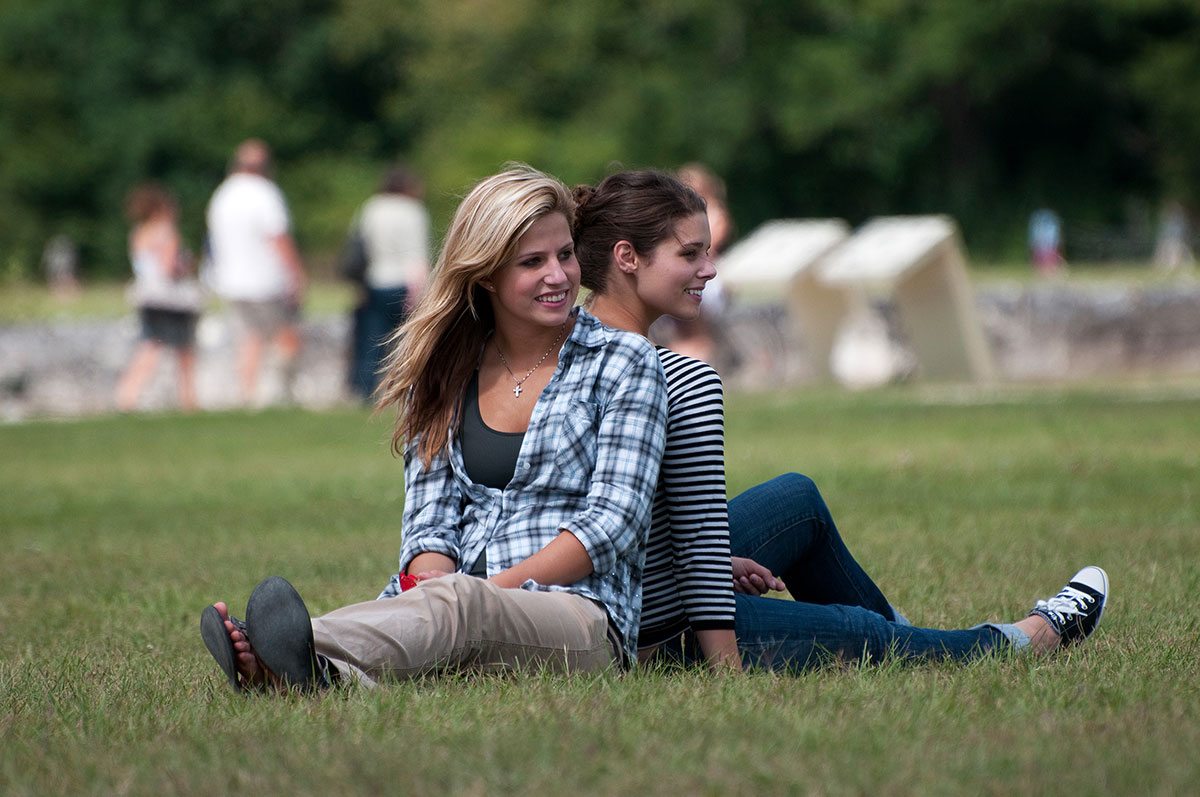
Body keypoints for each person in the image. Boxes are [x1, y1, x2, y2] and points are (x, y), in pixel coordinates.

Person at [573, 170, 1110, 673]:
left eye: (708, 252)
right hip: (654, 626)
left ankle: (906, 633)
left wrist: (711, 561)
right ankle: (1020, 638)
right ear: (627, 257)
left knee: (795, 500)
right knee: (858, 632)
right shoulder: (678, 376)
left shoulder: (568, 347)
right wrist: (721, 658)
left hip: (631, 583)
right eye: (690, 254)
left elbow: (608, 508)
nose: (710, 270)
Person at [200, 165, 669, 692]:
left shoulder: (624, 361)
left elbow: (611, 525)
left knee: (464, 605)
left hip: (581, 615)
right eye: (532, 262)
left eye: (565, 254)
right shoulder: (446, 369)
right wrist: (429, 581)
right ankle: (319, 675)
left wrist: (478, 589)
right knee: (451, 608)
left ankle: (293, 648)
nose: (558, 276)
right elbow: (430, 522)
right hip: (448, 607)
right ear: (487, 273)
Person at [205, 139, 307, 406]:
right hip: (264, 280)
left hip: (231, 281)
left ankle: (248, 395)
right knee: (287, 335)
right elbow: (278, 237)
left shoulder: (222, 195)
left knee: (250, 338)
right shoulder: (264, 193)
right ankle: (281, 394)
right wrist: (296, 273)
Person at [114, 182, 202, 413]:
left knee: (149, 345)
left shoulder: (139, 233)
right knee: (184, 351)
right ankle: (188, 400)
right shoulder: (165, 231)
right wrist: (188, 264)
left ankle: (126, 396)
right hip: (170, 299)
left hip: (147, 295)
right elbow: (170, 266)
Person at [346, 163, 431, 400]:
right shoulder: (412, 210)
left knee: (372, 340)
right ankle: (407, 390)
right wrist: (423, 291)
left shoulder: (372, 208)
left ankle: (366, 392)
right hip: (405, 284)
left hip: (375, 280)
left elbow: (360, 248)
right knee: (408, 341)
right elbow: (418, 254)